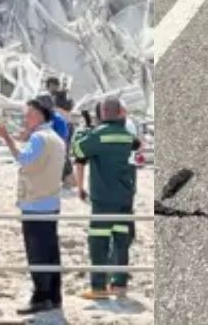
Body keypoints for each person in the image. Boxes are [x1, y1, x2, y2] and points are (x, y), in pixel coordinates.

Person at [0, 98, 66, 316]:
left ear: (39, 115)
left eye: (28, 114)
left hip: (35, 203)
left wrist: (7, 139)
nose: (25, 119)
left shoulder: (39, 138)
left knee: (37, 253)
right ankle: (54, 296)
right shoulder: (56, 137)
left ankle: (41, 296)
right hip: (51, 202)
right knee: (51, 251)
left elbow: (24, 160)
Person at [72, 96, 139, 301]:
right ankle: (119, 284)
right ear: (120, 113)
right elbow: (135, 146)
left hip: (103, 198)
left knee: (98, 241)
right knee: (121, 241)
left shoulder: (99, 135)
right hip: (125, 196)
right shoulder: (127, 135)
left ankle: (99, 287)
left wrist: (83, 131)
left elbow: (78, 150)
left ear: (101, 114)